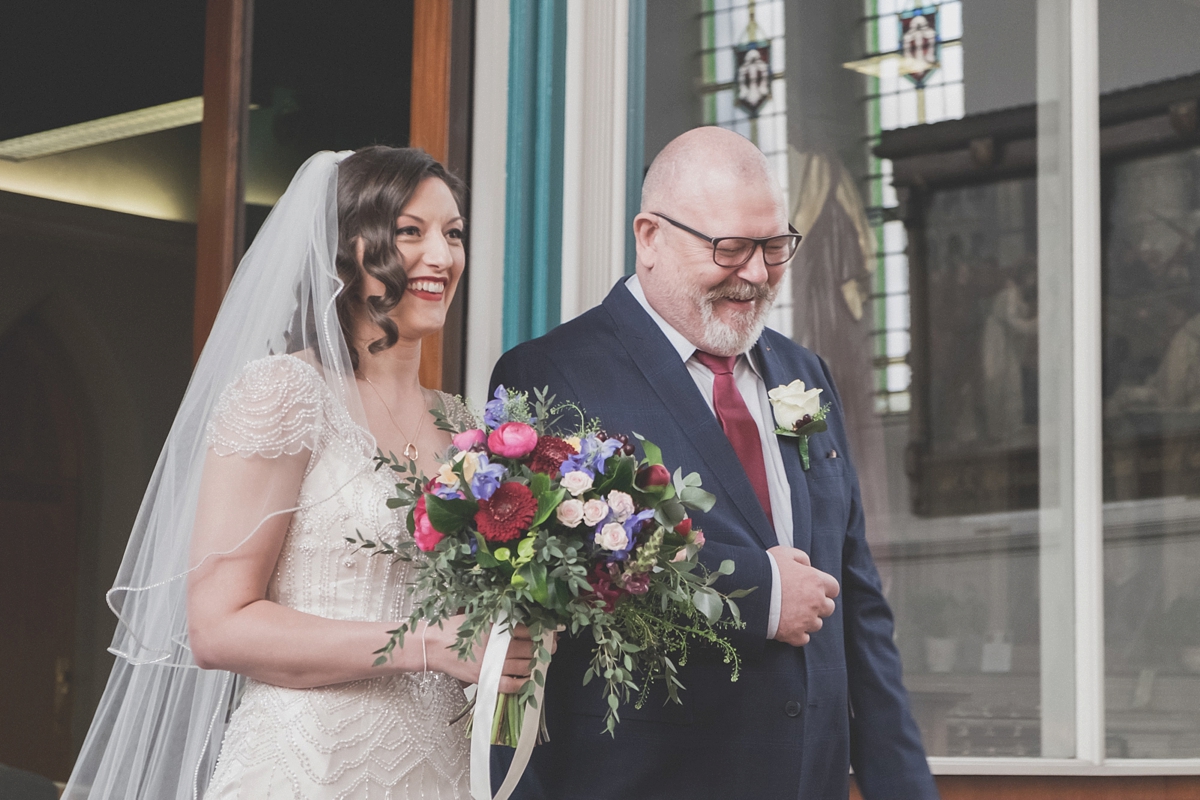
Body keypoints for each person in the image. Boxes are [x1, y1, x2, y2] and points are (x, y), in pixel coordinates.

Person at [64, 147, 537, 800]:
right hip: (311, 768)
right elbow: (218, 625)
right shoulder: (285, 393)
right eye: (411, 231)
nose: (442, 256)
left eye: (453, 234)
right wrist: (428, 645)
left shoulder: (460, 427)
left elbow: (467, 627)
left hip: (443, 774)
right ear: (346, 251)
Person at [490, 128, 937, 799]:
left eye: (775, 247)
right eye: (730, 249)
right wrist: (762, 592)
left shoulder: (802, 375)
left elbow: (855, 598)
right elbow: (539, 598)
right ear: (649, 237)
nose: (756, 273)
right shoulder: (552, 375)